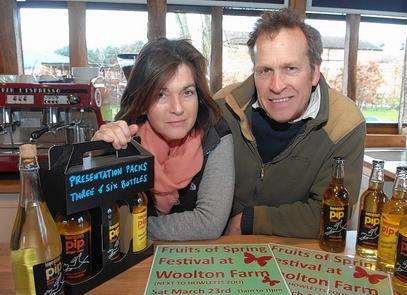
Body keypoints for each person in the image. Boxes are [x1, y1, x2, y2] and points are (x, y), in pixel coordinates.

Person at [214, 9, 365, 238]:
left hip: (298, 253)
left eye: (290, 69)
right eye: (265, 70)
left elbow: (332, 215)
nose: (276, 85)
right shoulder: (223, 107)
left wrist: (249, 221)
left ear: (314, 72)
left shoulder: (345, 123)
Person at [93, 38, 234, 241]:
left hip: (196, 262)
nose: (177, 108)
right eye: (161, 95)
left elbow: (209, 223)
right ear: (141, 102)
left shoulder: (215, 134)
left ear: (199, 96)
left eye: (187, 92)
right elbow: (96, 221)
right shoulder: (124, 139)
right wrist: (96, 156)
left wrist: (130, 226)